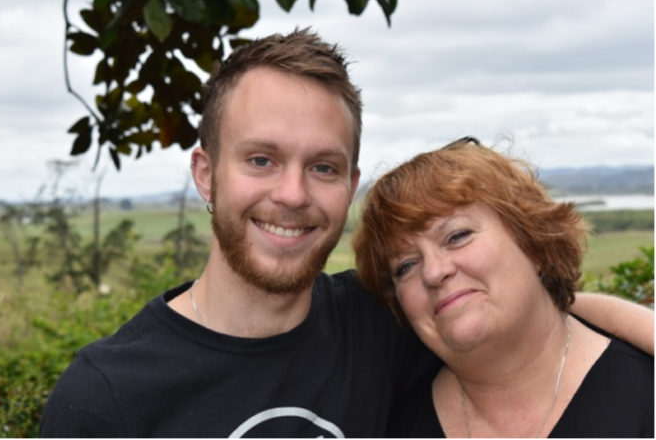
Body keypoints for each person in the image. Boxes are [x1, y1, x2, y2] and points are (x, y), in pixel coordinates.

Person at [40, 30, 652, 437]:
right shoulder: (108, 396)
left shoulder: (378, 323)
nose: (292, 194)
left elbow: (526, 320)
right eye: (261, 160)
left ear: (349, 182)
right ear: (206, 173)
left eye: (323, 167)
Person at [352, 136, 654, 437]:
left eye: (457, 236)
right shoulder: (389, 424)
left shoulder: (644, 394)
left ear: (533, 241)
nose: (433, 272)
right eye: (405, 266)